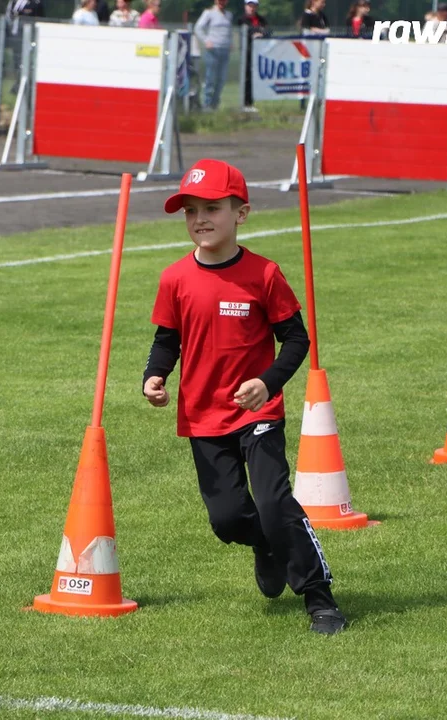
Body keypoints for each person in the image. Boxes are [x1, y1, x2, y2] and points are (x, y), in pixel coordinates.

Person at [142, 158, 347, 636]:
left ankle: (319, 598)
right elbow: (166, 338)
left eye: (212, 207)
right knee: (228, 520)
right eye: (190, 210)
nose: (200, 219)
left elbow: (296, 340)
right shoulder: (174, 278)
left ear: (242, 213)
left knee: (276, 504)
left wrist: (267, 384)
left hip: (257, 413)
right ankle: (266, 545)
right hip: (201, 416)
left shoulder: (263, 274)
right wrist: (155, 376)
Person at [194, 0, 233, 111]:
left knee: (221, 79)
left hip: (224, 49)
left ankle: (215, 104)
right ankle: (207, 105)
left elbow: (229, 31)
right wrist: (206, 40)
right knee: (210, 78)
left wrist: (230, 42)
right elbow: (198, 27)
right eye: (220, 1)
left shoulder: (229, 15)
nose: (222, 2)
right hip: (213, 50)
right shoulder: (209, 13)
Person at [239, 0, 269, 113]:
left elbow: (268, 31)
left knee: (253, 78)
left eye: (254, 6)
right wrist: (256, 33)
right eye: (249, 6)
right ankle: (244, 103)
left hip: (259, 53)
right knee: (246, 78)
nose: (252, 8)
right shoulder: (242, 19)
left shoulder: (261, 20)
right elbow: (245, 32)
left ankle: (250, 103)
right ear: (245, 6)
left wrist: (261, 33)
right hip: (247, 52)